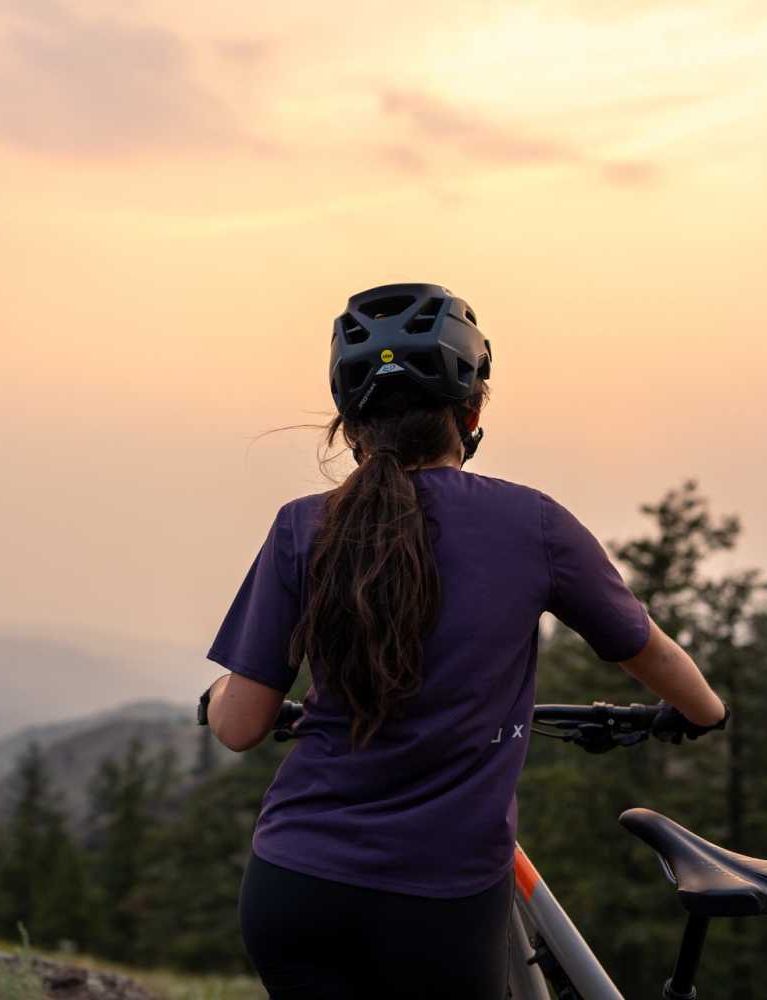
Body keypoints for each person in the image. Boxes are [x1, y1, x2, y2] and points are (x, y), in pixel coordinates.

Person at [197, 283, 729, 999]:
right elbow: (647, 650)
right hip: (439, 900)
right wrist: (704, 713)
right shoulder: (532, 524)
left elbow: (239, 727)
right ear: (471, 411)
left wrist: (221, 690)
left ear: (350, 427)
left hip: (296, 889)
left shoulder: (303, 525)